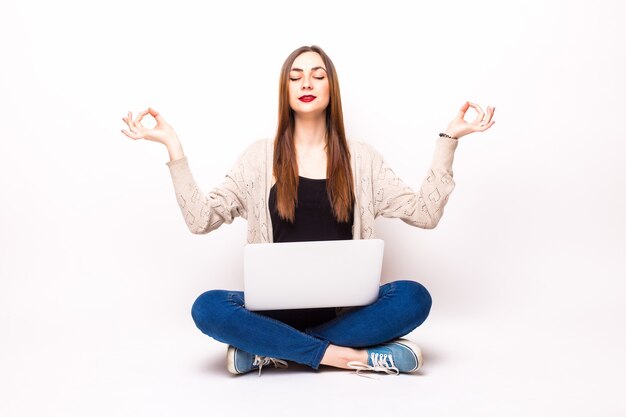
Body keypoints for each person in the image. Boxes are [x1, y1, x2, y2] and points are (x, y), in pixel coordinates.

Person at [121, 45, 495, 377]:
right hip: (272, 314)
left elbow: (424, 213)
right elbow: (200, 220)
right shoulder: (258, 158)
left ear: (331, 89)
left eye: (318, 75)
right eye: (295, 76)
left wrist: (450, 141)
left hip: (343, 315)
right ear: (285, 91)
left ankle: (269, 351)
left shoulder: (361, 159)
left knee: (414, 296)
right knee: (207, 307)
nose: (306, 83)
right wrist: (173, 147)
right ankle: (348, 358)